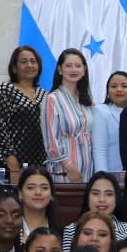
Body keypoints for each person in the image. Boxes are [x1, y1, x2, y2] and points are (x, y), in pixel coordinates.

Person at [0, 45, 47, 182]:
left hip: (41, 165)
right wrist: (13, 165)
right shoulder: (5, 90)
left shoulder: (44, 94)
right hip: (12, 166)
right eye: (23, 61)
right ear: (14, 68)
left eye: (33, 61)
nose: (29, 65)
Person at [43, 49, 96, 184]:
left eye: (78, 66)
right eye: (68, 66)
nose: (74, 70)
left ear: (84, 70)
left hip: (88, 169)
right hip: (65, 171)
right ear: (60, 69)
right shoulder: (52, 99)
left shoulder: (87, 101)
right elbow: (51, 141)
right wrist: (69, 167)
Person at [60, 172, 127, 252]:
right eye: (95, 194)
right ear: (88, 196)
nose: (102, 199)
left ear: (116, 198)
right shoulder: (71, 230)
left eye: (109, 194)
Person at [92, 71, 127, 175]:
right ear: (107, 92)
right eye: (114, 86)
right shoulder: (101, 111)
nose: (119, 89)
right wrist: (102, 177)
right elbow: (100, 150)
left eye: (124, 86)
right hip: (112, 175)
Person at [15, 165, 58, 243]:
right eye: (30, 187)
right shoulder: (10, 229)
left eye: (44, 188)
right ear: (20, 194)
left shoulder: (62, 233)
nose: (38, 192)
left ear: (51, 194)